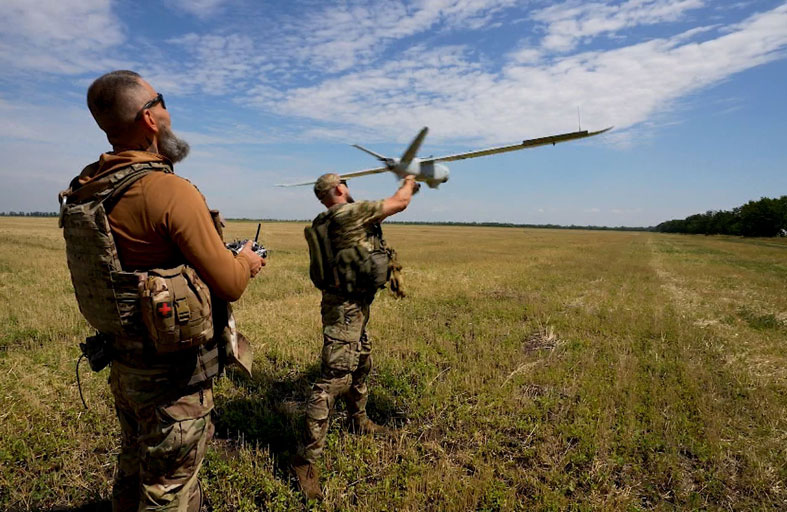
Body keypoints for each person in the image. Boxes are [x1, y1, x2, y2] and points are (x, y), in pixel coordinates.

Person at [60, 70, 264, 510]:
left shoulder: (90, 187)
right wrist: (246, 262)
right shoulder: (168, 190)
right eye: (162, 101)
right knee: (168, 491)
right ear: (149, 118)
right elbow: (230, 283)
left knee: (133, 467)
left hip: (125, 365)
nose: (169, 111)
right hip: (174, 381)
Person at [292, 172, 419, 501]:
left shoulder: (327, 219)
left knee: (361, 362)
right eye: (345, 184)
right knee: (333, 380)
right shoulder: (350, 213)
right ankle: (305, 461)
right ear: (338, 188)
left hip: (352, 305)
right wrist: (410, 178)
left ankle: (358, 420)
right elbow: (400, 202)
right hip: (345, 310)